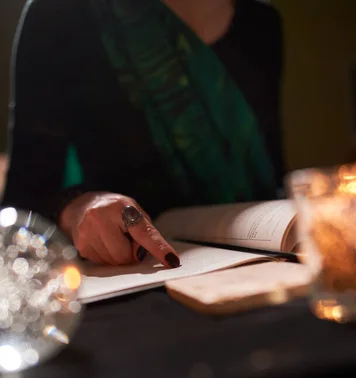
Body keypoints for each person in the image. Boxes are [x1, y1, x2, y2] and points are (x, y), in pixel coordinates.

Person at [1, 0, 285, 267]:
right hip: (142, 279)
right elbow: (21, 206)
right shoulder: (60, 13)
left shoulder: (259, 23)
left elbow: (273, 171)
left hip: (264, 267)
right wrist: (75, 209)